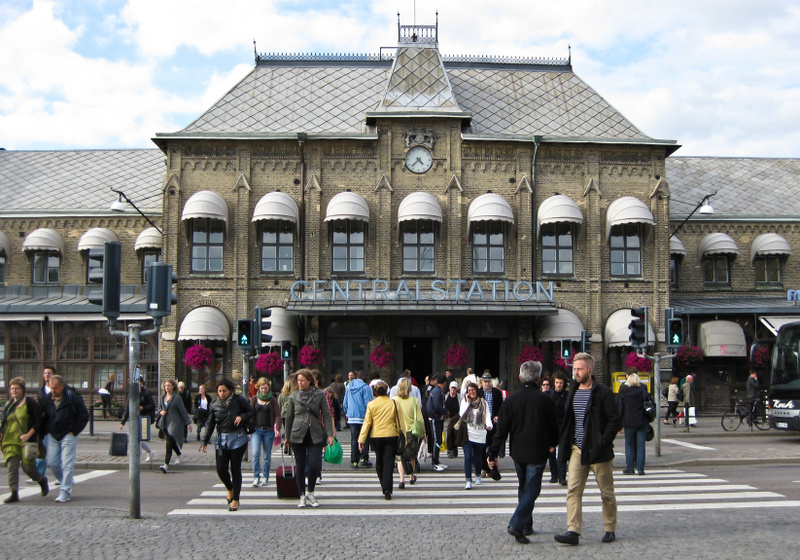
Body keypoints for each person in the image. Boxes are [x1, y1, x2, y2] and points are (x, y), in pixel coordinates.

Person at [488, 360, 558, 544]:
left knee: (523, 487)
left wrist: (492, 452)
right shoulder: (545, 400)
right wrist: (553, 443)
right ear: (539, 378)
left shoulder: (511, 400)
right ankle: (517, 523)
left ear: (520, 378)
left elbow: (501, 430)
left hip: (518, 451)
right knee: (532, 489)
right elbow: (554, 426)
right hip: (537, 450)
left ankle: (526, 525)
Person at [554, 352, 620, 546]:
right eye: (574, 369)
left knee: (606, 492)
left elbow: (614, 420)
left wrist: (603, 441)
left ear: (590, 370)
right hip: (578, 448)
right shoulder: (572, 390)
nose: (576, 373)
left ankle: (610, 527)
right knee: (573, 490)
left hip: (599, 451)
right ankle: (573, 530)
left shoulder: (602, 392)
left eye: (580, 369)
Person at [201, 378, 253, 512]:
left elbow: (251, 412)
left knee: (235, 468)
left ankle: (235, 499)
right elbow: (210, 423)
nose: (222, 393)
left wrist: (242, 417)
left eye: (224, 391)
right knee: (221, 469)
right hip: (221, 438)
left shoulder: (239, 400)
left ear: (230, 390)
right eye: (219, 391)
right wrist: (205, 440)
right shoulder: (214, 404)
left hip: (237, 437)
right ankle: (230, 488)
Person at [284, 369, 334, 507]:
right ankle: (301, 495)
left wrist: (329, 434)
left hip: (315, 433)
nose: (300, 383)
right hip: (297, 433)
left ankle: (310, 492)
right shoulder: (294, 396)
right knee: (300, 467)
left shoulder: (319, 394)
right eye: (298, 381)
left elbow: (326, 414)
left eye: (302, 381)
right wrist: (287, 437)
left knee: (313, 465)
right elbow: (289, 418)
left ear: (309, 381)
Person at [43, 374, 89, 503]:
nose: (53, 390)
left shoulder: (71, 398)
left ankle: (65, 491)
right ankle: (67, 480)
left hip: (68, 434)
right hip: (53, 434)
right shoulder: (47, 399)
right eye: (51, 387)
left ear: (62, 386)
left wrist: (74, 431)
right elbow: (44, 416)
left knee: (67, 464)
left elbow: (84, 415)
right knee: (52, 462)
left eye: (56, 388)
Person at [1, 378, 49, 503]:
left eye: (17, 388)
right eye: (12, 388)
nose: (14, 391)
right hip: (10, 440)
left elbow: (38, 422)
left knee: (28, 467)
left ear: (22, 390)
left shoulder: (30, 403)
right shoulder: (8, 404)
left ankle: (41, 480)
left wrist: (28, 435)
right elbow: (3, 422)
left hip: (27, 440)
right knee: (12, 466)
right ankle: (14, 492)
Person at [359, 381, 401, 500]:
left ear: (375, 391)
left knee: (379, 461)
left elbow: (367, 423)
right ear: (387, 391)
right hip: (391, 434)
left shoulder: (371, 404)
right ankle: (387, 488)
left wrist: (361, 439)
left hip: (376, 435)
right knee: (389, 461)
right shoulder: (394, 403)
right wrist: (404, 436)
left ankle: (383, 484)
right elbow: (400, 422)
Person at [459, 382, 493, 490]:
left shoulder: (483, 403)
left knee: (478, 457)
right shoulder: (465, 402)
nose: (471, 392)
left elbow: (487, 416)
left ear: (476, 391)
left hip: (480, 433)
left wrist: (489, 425)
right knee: (468, 457)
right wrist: (467, 402)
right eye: (469, 390)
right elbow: (461, 415)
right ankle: (468, 480)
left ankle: (478, 474)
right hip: (468, 433)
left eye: (473, 390)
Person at [392, 377, 423, 489]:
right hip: (411, 431)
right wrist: (423, 431)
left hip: (399, 431)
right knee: (411, 456)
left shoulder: (394, 400)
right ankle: (411, 476)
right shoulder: (414, 400)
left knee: (399, 456)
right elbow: (419, 418)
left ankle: (401, 480)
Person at [250, 377, 281, 487]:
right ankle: (256, 477)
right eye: (262, 388)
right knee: (255, 454)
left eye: (266, 388)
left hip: (268, 430)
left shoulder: (273, 400)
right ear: (259, 388)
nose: (264, 390)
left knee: (267, 456)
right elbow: (250, 413)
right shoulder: (254, 399)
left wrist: (277, 428)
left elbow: (277, 415)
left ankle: (265, 477)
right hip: (256, 430)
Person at [158, 379, 192, 474]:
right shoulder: (162, 396)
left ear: (173, 386)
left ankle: (165, 464)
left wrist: (188, 423)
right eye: (165, 386)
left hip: (175, 422)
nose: (167, 387)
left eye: (169, 385)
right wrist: (160, 412)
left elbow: (183, 411)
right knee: (171, 442)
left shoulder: (177, 398)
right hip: (165, 422)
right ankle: (179, 454)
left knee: (169, 442)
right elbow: (159, 409)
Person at [119, 376, 156, 462]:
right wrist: (122, 422)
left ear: (142, 383)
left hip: (143, 418)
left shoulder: (146, 393)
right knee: (136, 438)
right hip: (134, 418)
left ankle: (136, 458)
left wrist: (143, 407)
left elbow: (152, 406)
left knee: (139, 438)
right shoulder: (132, 393)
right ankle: (149, 452)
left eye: (139, 382)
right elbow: (127, 408)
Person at [618, 373, 648, 476]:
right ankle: (640, 469)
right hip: (641, 421)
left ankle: (630, 468)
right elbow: (650, 404)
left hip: (629, 421)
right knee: (641, 445)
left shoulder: (624, 392)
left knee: (629, 444)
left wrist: (619, 424)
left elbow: (620, 408)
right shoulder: (643, 390)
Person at [342, 370, 373, 468]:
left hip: (352, 417)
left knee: (354, 438)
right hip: (363, 416)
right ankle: (364, 457)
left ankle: (354, 460)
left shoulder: (349, 387)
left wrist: (347, 413)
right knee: (365, 438)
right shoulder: (365, 388)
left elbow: (345, 402)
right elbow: (369, 403)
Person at [478, 371, 502, 477]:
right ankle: (485, 468)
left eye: (488, 382)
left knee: (493, 446)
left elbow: (501, 407)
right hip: (483, 423)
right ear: (482, 382)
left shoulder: (496, 392)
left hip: (493, 422)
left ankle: (492, 466)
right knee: (483, 447)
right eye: (485, 382)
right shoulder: (479, 392)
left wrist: (497, 415)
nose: (487, 384)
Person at [547, 372, 569, 485]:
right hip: (551, 425)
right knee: (551, 451)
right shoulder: (548, 394)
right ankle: (554, 475)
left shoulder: (567, 395)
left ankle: (562, 476)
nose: (559, 385)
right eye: (557, 382)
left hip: (563, 425)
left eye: (561, 383)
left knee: (562, 452)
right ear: (553, 383)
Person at [426, 374, 449, 471]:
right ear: (444, 383)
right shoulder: (437, 392)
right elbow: (437, 406)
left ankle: (437, 461)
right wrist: (445, 412)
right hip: (435, 417)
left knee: (438, 440)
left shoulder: (436, 390)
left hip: (437, 417)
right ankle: (434, 462)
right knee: (437, 440)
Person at [444, 381, 462, 458]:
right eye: (452, 388)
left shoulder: (460, 397)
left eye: (454, 388)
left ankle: (455, 448)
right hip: (448, 418)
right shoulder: (445, 396)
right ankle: (449, 450)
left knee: (456, 434)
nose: (453, 389)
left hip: (457, 418)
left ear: (457, 388)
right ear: (449, 388)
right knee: (448, 434)